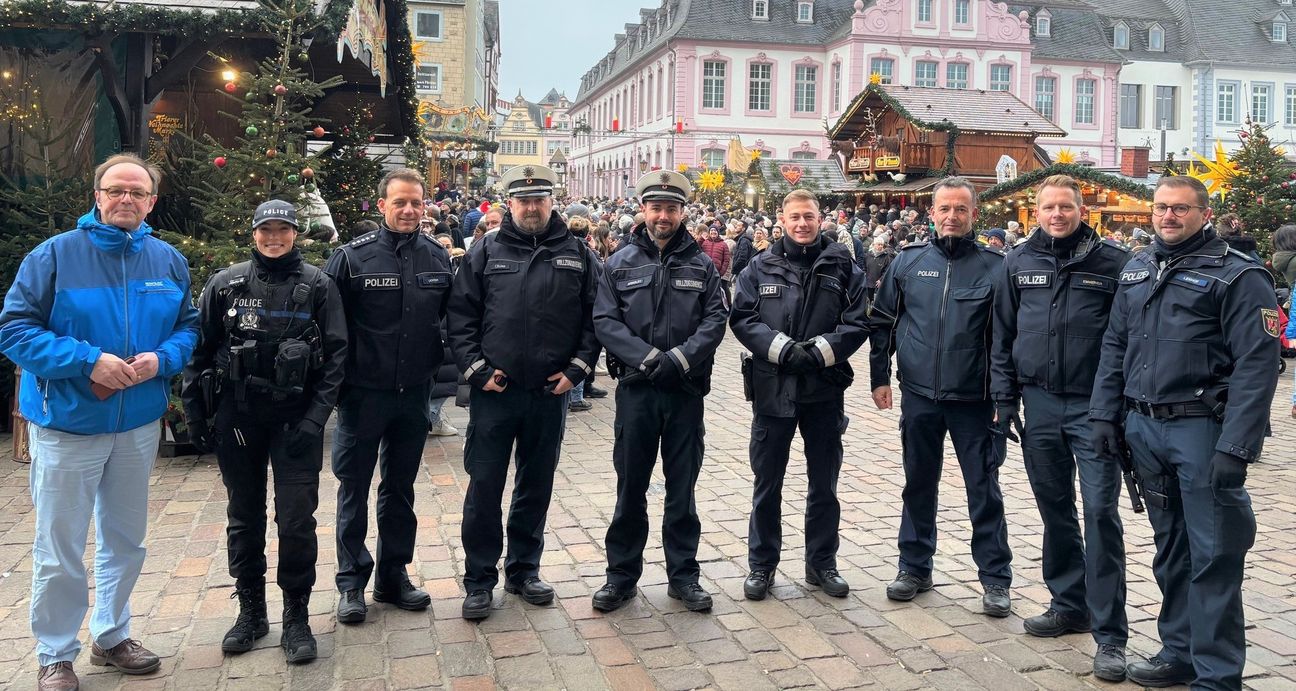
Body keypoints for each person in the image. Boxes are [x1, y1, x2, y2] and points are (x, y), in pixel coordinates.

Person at [0, 153, 199, 690]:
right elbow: (15, 331)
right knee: (60, 543)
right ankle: (55, 653)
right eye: (116, 190)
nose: (126, 199)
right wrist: (89, 361)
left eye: (137, 192)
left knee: (126, 537)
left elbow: (188, 328)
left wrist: (164, 359)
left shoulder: (168, 261)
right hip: (68, 425)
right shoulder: (55, 257)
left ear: (152, 202)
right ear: (98, 195)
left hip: (136, 425)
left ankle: (111, 635)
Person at [1090, 176, 1279, 689]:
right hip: (1144, 429)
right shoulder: (1138, 269)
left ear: (1204, 213)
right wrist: (1104, 416)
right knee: (1171, 547)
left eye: (1179, 209)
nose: (1167, 217)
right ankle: (1180, 651)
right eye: (1160, 208)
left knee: (1214, 554)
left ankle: (1218, 676)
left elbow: (1256, 367)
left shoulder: (1238, 277)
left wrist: (1237, 446)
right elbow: (1115, 348)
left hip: (1202, 431)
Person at [181, 200, 347, 663]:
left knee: (296, 520)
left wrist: (316, 419)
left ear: (295, 233)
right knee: (244, 514)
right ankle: (251, 609)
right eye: (266, 230)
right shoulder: (226, 284)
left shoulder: (318, 285)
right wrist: (196, 414)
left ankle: (297, 614)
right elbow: (200, 352)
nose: (274, 238)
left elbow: (336, 360)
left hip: (296, 419)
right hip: (239, 418)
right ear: (253, 234)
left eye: (283, 230)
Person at [989, 176, 1131, 681]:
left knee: (1099, 513)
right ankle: (1069, 603)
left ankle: (1111, 635)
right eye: (1048, 207)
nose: (1056, 214)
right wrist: (1004, 400)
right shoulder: (1017, 261)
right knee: (1055, 510)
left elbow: (1126, 343)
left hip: (1094, 409)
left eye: (1065, 206)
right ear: (1036, 209)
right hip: (1039, 403)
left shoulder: (1114, 264)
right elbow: (1001, 335)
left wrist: (1114, 408)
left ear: (1081, 207)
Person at [450, 165, 600, 621]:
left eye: (539, 199)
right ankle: (479, 580)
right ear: (509, 204)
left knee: (535, 487)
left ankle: (523, 570)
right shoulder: (486, 248)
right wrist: (477, 370)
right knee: (485, 487)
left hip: (547, 394)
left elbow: (596, 317)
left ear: (551, 202)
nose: (532, 207)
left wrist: (577, 369)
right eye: (523, 200)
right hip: (496, 393)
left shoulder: (577, 253)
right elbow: (461, 315)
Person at [869, 176, 1013, 617]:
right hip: (919, 396)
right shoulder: (908, 263)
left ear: (974, 214)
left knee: (983, 489)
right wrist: (880, 376)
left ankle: (994, 578)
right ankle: (914, 567)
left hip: (975, 400)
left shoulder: (996, 267)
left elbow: (1008, 337)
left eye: (961, 209)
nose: (952, 216)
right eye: (944, 209)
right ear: (931, 213)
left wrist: (1004, 399)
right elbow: (882, 321)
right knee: (918, 484)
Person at [590, 171, 728, 613]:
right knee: (630, 487)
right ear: (643, 210)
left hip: (685, 391)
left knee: (682, 489)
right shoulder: (620, 262)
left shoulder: (701, 264)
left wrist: (681, 359)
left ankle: (683, 576)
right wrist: (649, 359)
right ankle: (621, 577)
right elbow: (606, 321)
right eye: (656, 207)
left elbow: (714, 320)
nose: (663, 215)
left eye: (671, 208)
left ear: (682, 212)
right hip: (637, 390)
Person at [324, 169, 453, 624]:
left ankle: (393, 575)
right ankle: (351, 583)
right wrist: (336, 391)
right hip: (363, 394)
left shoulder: (438, 258)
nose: (409, 210)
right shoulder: (351, 259)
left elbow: (449, 321)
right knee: (353, 489)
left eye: (416, 203)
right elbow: (328, 329)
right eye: (400, 202)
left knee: (400, 489)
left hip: (413, 393)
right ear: (381, 205)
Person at [730, 189, 870, 600]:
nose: (802, 224)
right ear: (782, 219)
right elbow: (742, 317)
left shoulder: (844, 267)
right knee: (766, 483)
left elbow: (857, 322)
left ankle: (821, 564)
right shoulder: (760, 266)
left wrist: (819, 353)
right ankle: (762, 565)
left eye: (809, 216)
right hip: (772, 389)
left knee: (824, 484)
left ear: (820, 217)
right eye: (795, 217)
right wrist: (784, 349)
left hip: (823, 391)